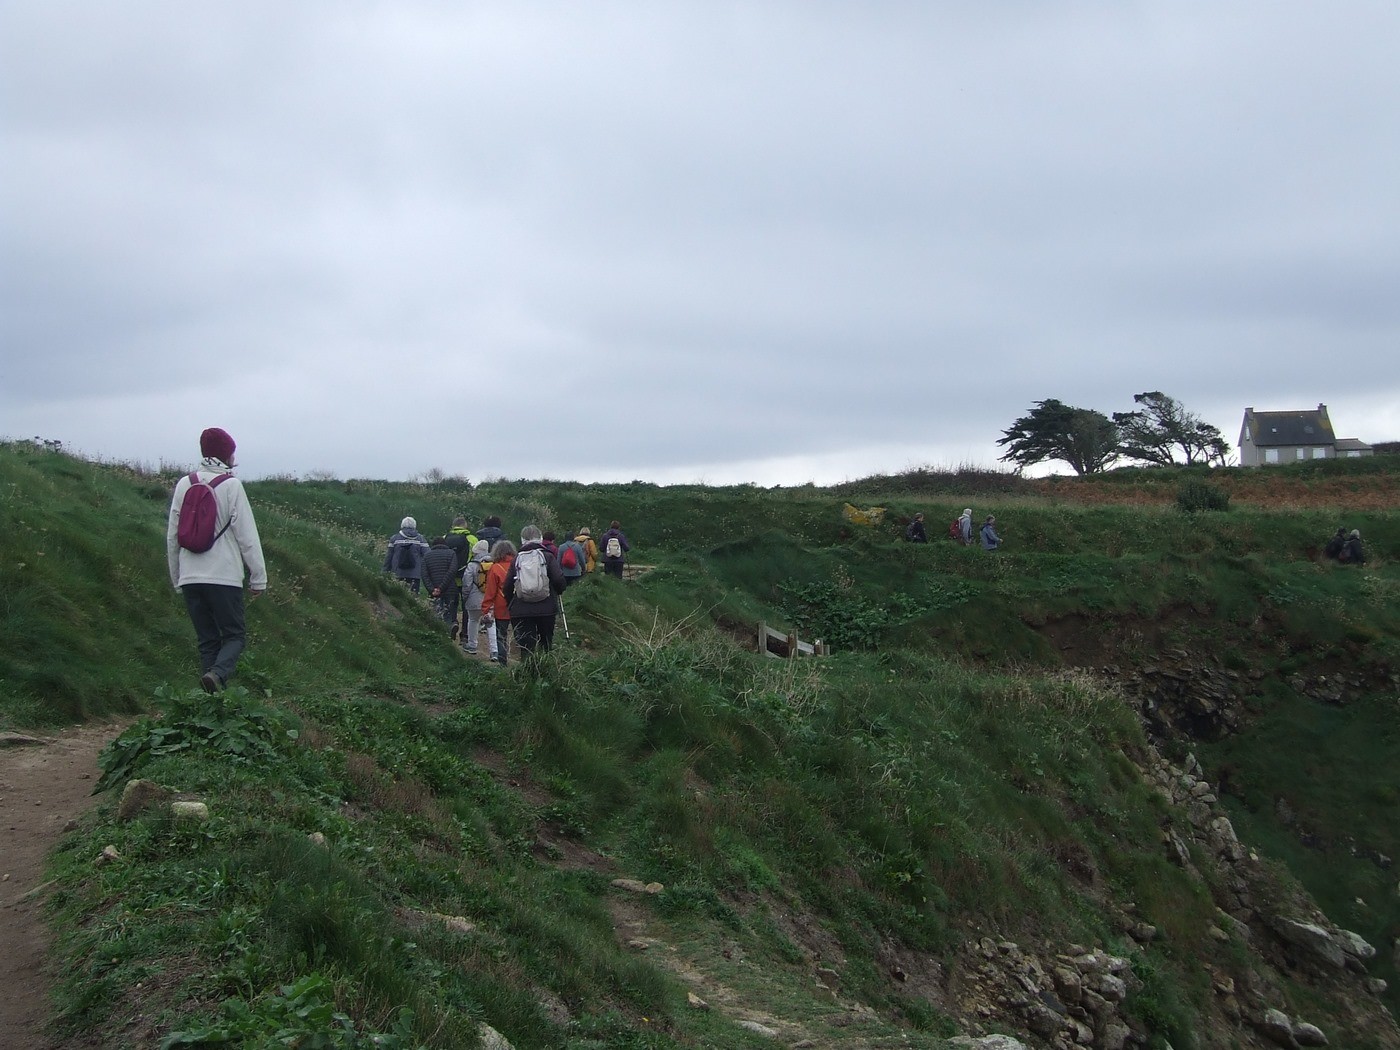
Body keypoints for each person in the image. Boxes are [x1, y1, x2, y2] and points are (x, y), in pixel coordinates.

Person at [165, 427, 267, 693]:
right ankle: (218, 675)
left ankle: (209, 700)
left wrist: (177, 577)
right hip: (224, 577)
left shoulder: (184, 484)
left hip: (191, 577)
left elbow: (172, 537)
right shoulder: (231, 485)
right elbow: (247, 537)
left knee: (207, 641)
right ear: (226, 454)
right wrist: (258, 578)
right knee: (234, 636)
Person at [504, 524, 566, 657]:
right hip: (546, 608)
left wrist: (510, 603)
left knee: (526, 647)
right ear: (540, 538)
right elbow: (558, 579)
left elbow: (507, 585)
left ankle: (527, 672)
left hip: (521, 609)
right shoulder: (548, 556)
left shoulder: (517, 559)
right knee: (545, 644)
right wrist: (559, 591)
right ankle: (546, 672)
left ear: (522, 539)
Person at [481, 539, 516, 665]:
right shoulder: (519, 565)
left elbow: (490, 591)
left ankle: (503, 663)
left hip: (502, 606)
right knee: (521, 634)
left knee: (501, 635)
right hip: (519, 605)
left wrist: (486, 608)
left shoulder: (495, 568)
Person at [460, 540, 496, 657]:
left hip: (474, 599)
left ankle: (472, 645)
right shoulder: (494, 564)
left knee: (473, 620)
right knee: (491, 623)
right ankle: (494, 651)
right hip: (489, 599)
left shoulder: (472, 565)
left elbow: (466, 584)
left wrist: (465, 597)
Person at [420, 536, 461, 630]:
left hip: (434, 590)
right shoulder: (451, 553)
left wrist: (432, 589)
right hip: (450, 589)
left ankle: (440, 633)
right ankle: (452, 625)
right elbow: (452, 571)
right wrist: (441, 587)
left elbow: (424, 575)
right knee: (450, 611)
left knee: (437, 613)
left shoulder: (427, 555)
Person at [383, 517, 430, 593]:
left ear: (402, 525)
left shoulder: (394, 539)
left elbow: (389, 557)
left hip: (397, 573)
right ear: (414, 526)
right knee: (413, 598)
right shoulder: (420, 539)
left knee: (397, 595)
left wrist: (385, 571)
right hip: (415, 574)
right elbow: (428, 555)